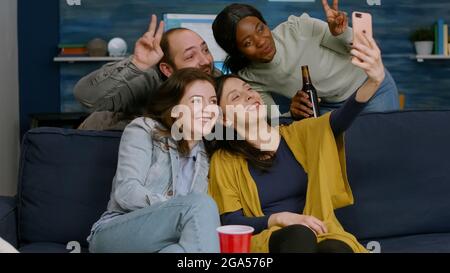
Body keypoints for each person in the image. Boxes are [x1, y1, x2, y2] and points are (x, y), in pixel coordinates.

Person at [207, 30, 384, 253]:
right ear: (223, 117)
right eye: (236, 97)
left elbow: (339, 121)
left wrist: (374, 80)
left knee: (337, 248)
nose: (250, 96)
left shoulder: (295, 134)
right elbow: (231, 222)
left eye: (249, 89)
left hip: (319, 231)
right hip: (268, 239)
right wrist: (281, 218)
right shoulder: (224, 161)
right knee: (298, 235)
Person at [88, 68, 221, 253]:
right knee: (201, 204)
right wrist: (176, 207)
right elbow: (126, 192)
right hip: (115, 232)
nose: (208, 109)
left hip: (168, 242)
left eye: (213, 101)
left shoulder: (206, 155)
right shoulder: (144, 129)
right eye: (197, 101)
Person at [212, 1, 399, 120]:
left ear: (266, 24)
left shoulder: (298, 28)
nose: (261, 41)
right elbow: (274, 121)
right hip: (329, 108)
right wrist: (292, 113)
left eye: (260, 29)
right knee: (347, 161)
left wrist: (341, 33)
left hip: (372, 88)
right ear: (238, 52)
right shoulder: (251, 78)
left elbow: (358, 48)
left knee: (383, 147)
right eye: (248, 42)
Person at [74, 15, 220, 130]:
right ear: (167, 70)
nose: (205, 61)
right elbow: (84, 95)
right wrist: (135, 64)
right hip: (101, 141)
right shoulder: (146, 80)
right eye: (190, 56)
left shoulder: (211, 76)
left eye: (205, 50)